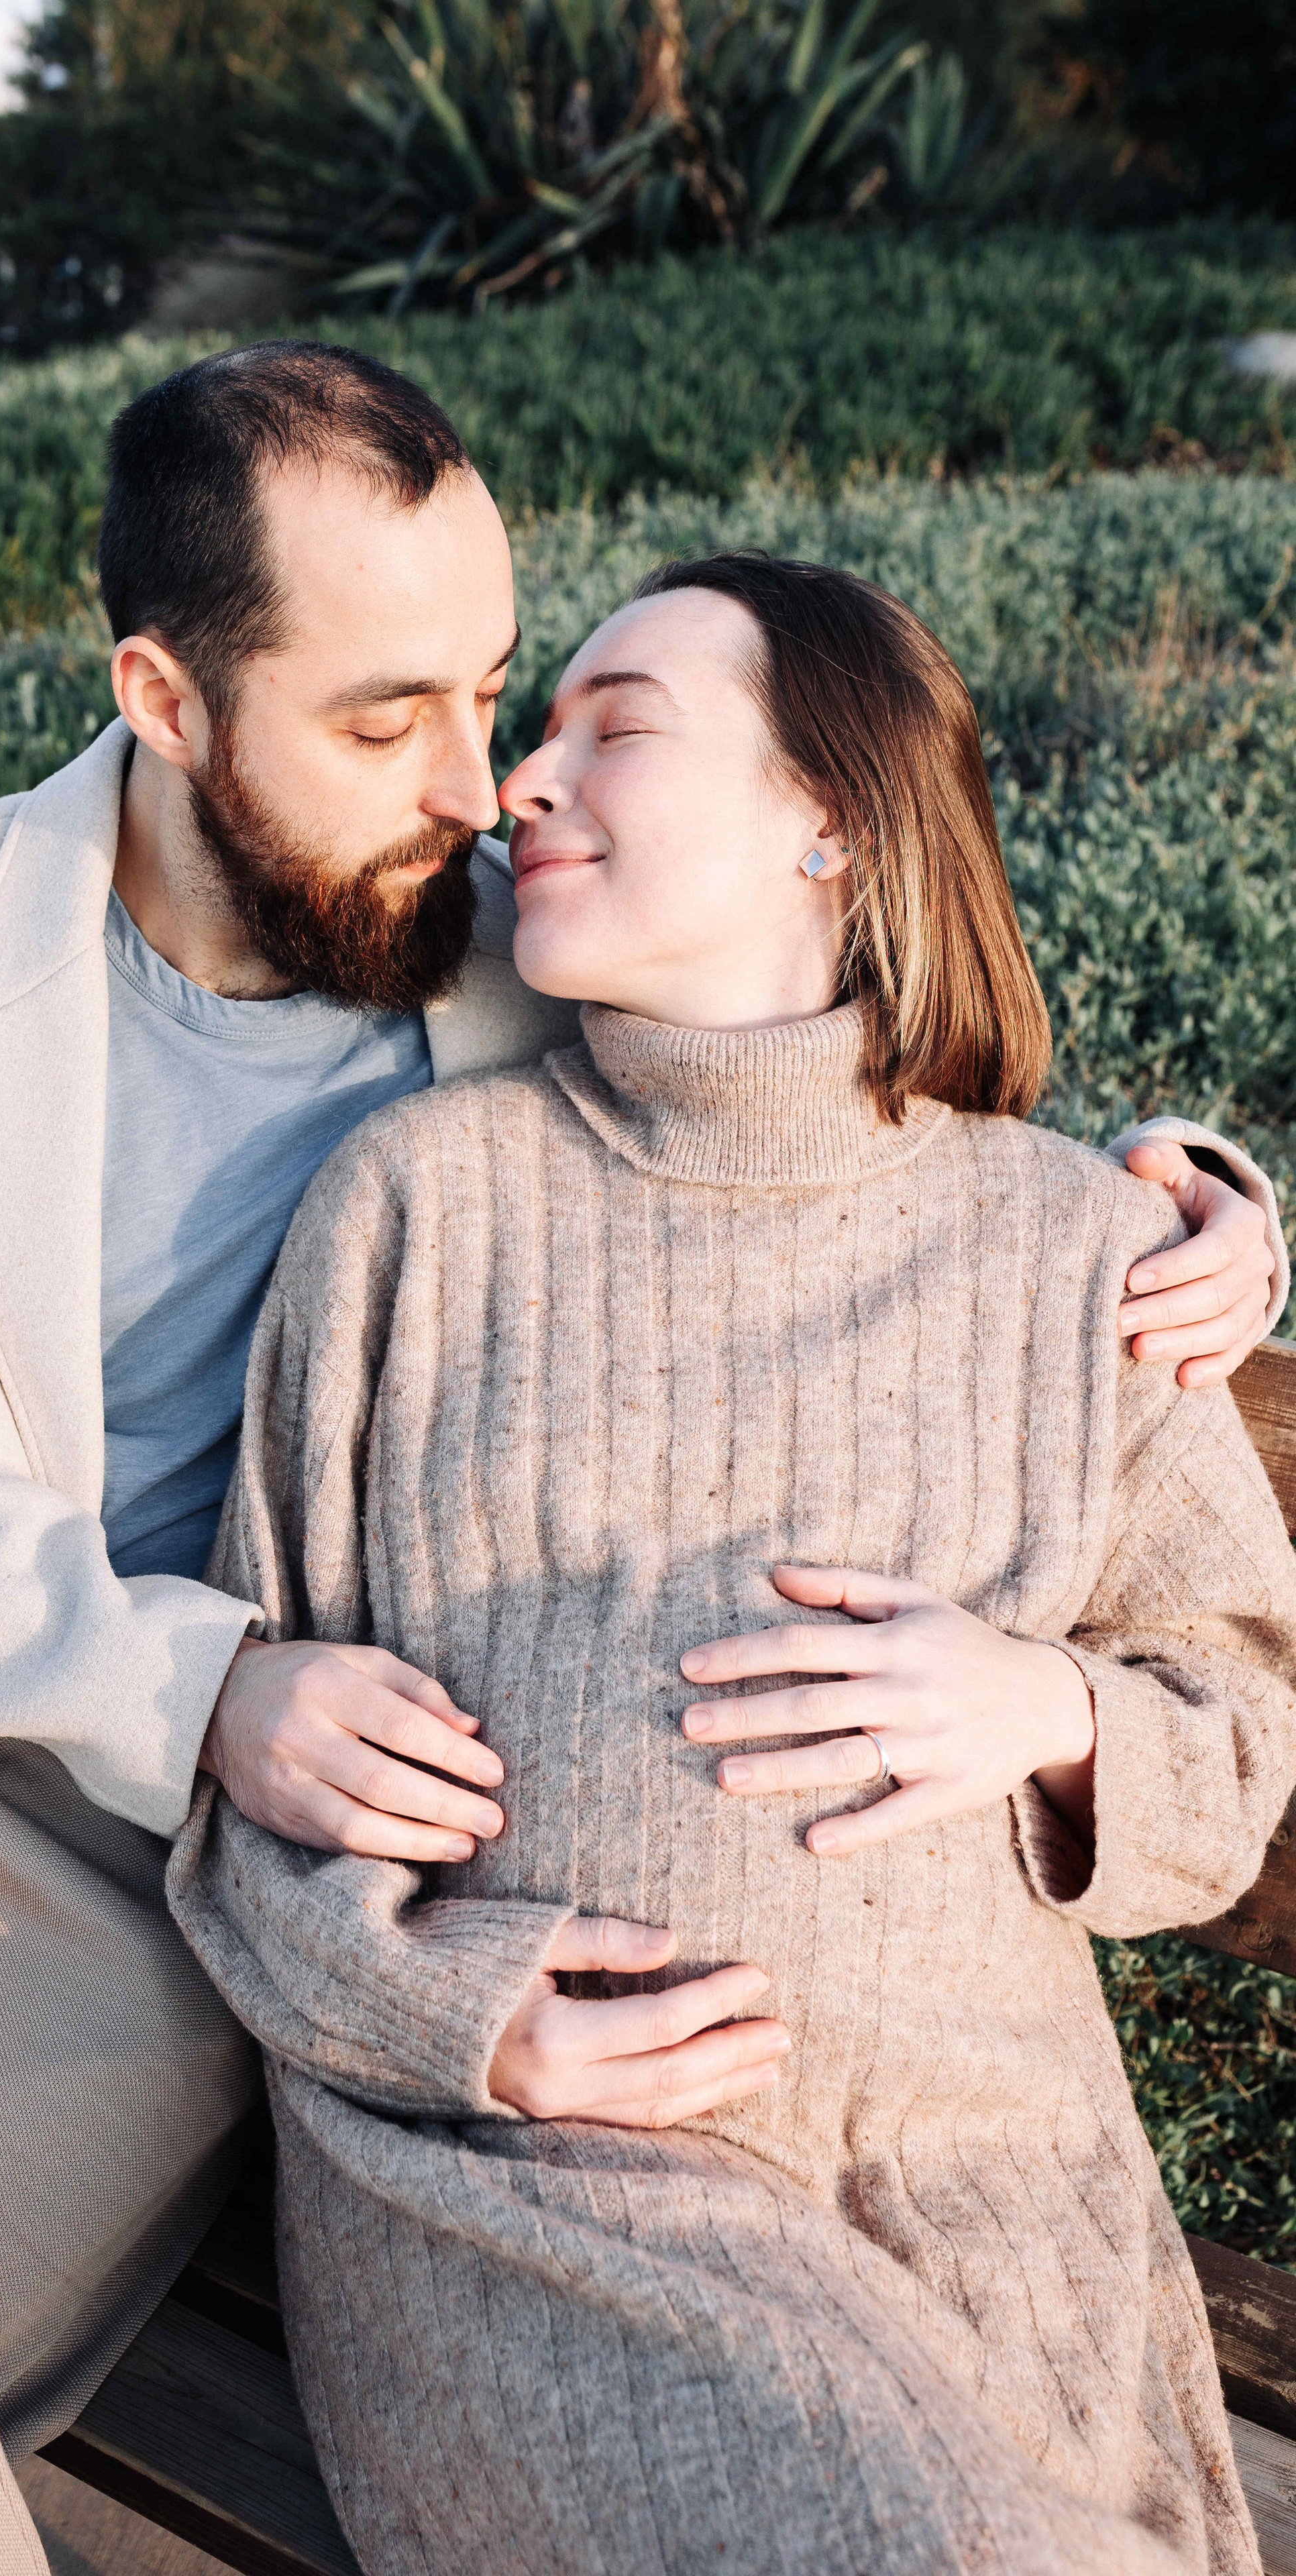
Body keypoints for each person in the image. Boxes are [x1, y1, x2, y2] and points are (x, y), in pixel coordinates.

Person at [0, 348, 1279, 2576]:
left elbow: (848, 1077)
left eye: (502, 693)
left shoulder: (516, 944)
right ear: (167, 701)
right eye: (393, 720)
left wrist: (1213, 1208)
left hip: (165, 1843)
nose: (484, 786)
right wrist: (207, 1686)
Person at [168, 552, 1296, 2575]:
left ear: (831, 825)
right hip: (537, 2186)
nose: (519, 777)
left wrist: (1051, 1710)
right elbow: (254, 1797)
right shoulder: (420, 1208)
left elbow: (1236, 1753)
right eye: (544, 727)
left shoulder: (1086, 1257)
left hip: (983, 2184)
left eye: (617, 726)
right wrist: (463, 2024)